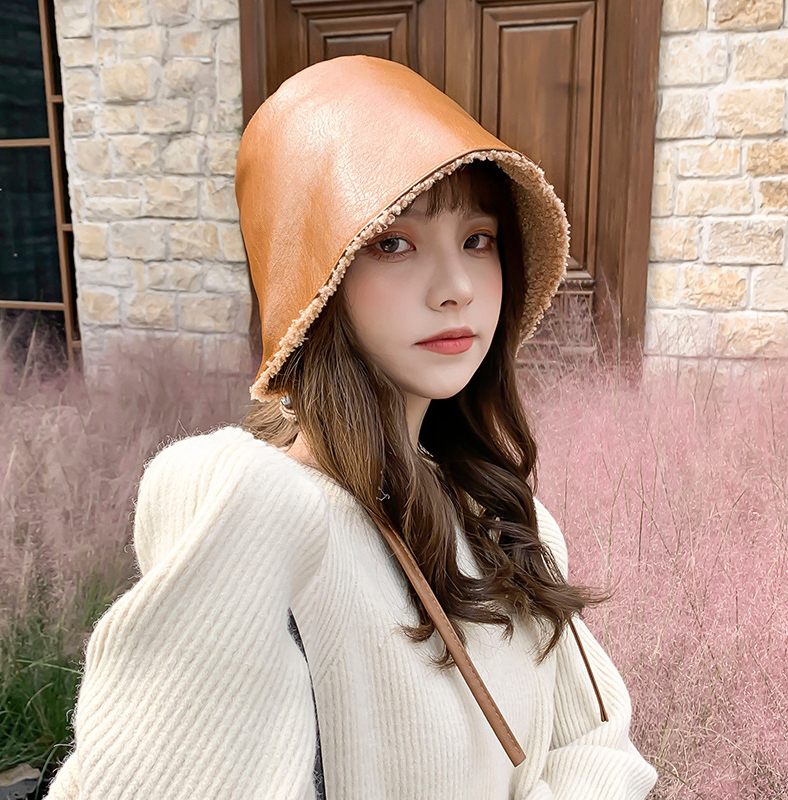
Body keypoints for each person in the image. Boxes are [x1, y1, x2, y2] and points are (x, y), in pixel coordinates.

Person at [44, 55, 657, 799]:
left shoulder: (502, 518)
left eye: (478, 239)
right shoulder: (255, 505)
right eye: (393, 243)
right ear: (316, 279)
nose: (456, 288)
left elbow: (600, 744)